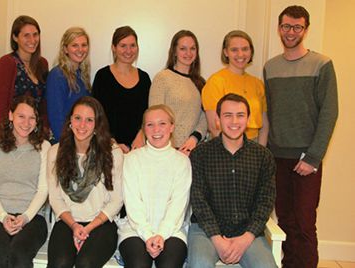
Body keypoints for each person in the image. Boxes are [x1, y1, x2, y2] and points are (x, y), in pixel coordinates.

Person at [263, 5, 338, 268]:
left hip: (306, 157)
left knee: (305, 222)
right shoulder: (270, 67)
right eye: (286, 26)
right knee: (284, 220)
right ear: (279, 28)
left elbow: (330, 113)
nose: (291, 32)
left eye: (297, 27)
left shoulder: (322, 64)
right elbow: (269, 113)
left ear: (305, 29)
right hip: (277, 157)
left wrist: (313, 157)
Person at [188, 93, 276, 268]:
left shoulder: (263, 156)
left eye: (240, 115)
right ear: (218, 119)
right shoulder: (200, 154)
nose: (234, 121)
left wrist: (246, 238)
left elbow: (265, 202)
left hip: (248, 231)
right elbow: (198, 200)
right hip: (206, 231)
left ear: (248, 119)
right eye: (228, 115)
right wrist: (218, 239)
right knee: (200, 264)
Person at [47, 96, 123, 267]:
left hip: (102, 222)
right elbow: (55, 198)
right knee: (60, 263)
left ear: (97, 125)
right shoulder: (55, 152)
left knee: (85, 264)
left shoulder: (112, 153)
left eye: (89, 120)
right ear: (70, 121)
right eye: (78, 118)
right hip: (67, 221)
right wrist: (74, 226)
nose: (82, 125)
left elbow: (116, 201)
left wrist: (87, 228)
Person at [0, 95, 50, 268]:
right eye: (21, 116)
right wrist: (3, 217)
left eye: (32, 118)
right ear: (11, 115)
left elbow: (43, 190)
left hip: (33, 218)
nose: (26, 123)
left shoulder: (44, 147)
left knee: (19, 254)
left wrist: (25, 217)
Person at [119, 104, 191, 268]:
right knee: (139, 265)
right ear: (144, 129)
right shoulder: (132, 159)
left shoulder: (182, 161)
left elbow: (178, 205)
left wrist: (161, 235)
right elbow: (133, 202)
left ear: (172, 127)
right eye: (150, 125)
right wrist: (147, 235)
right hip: (135, 229)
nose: (156, 130)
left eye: (162, 123)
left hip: (172, 230)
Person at [202, 30, 268, 145]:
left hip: (255, 145)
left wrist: (260, 152)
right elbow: (214, 126)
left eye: (245, 49)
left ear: (251, 51)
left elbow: (264, 125)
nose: (240, 54)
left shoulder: (257, 84)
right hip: (225, 146)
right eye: (234, 50)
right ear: (226, 52)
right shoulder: (216, 82)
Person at [92, 26, 150, 153]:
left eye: (132, 45)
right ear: (114, 48)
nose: (128, 51)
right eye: (123, 45)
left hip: (139, 148)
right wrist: (113, 143)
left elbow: (149, 113)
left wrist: (142, 134)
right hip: (109, 148)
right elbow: (96, 115)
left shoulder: (145, 78)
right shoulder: (102, 76)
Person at [149, 30, 207, 155]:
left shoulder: (201, 83)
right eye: (183, 48)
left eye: (192, 48)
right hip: (167, 150)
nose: (188, 53)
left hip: (193, 150)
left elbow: (204, 117)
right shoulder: (162, 78)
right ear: (174, 51)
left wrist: (194, 138)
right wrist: (171, 146)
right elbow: (154, 116)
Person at [0, 15, 49, 131]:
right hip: (12, 134)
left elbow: (44, 104)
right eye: (26, 35)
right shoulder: (7, 63)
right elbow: (0, 107)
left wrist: (44, 129)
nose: (32, 40)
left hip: (36, 133)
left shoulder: (42, 64)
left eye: (35, 34)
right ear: (15, 37)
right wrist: (13, 134)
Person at [46, 27, 91, 143]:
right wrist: (66, 146)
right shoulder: (57, 75)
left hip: (79, 139)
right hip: (63, 143)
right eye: (75, 45)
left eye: (84, 45)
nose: (80, 49)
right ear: (65, 49)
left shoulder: (82, 75)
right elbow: (56, 118)